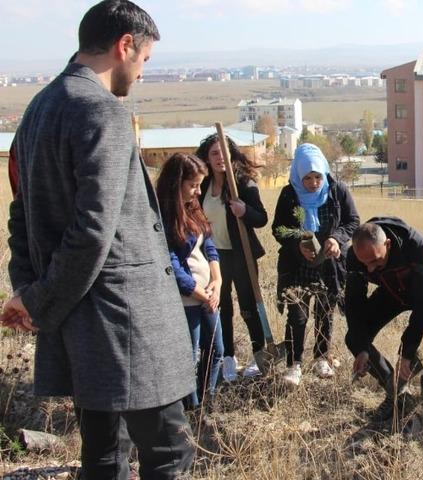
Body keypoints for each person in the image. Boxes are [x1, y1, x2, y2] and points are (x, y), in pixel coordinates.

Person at [2, 1, 195, 477]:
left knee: (104, 454)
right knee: (169, 453)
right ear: (124, 45)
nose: (143, 72)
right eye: (145, 59)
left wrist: (28, 291)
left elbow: (20, 215)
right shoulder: (101, 111)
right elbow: (92, 232)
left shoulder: (39, 108)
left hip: (79, 324)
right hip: (124, 322)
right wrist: (38, 299)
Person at [345, 218, 423, 420]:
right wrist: (361, 348)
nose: (370, 269)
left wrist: (408, 350)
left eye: (376, 261)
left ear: (387, 244)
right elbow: (353, 303)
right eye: (365, 263)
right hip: (392, 290)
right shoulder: (355, 256)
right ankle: (395, 391)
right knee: (354, 338)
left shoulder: (415, 246)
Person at [272, 143, 359, 387]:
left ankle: (321, 357)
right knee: (297, 317)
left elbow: (353, 221)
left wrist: (336, 239)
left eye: (317, 176)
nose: (313, 183)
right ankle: (294, 364)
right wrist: (297, 243)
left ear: (324, 172)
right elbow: (278, 229)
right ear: (299, 176)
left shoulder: (337, 190)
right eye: (307, 178)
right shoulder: (290, 194)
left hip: (329, 266)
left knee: (325, 313)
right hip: (298, 267)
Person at [196, 133, 268, 380]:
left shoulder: (243, 183)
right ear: (207, 157)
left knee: (249, 305)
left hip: (242, 255)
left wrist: (244, 210)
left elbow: (261, 218)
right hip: (213, 257)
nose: (219, 158)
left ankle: (259, 355)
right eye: (214, 153)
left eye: (223, 153)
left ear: (231, 155)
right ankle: (228, 358)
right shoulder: (203, 185)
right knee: (221, 306)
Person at [156, 153, 224, 409]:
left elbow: (209, 244)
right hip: (186, 299)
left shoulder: (194, 208)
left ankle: (208, 399)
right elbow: (170, 263)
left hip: (208, 294)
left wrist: (216, 281)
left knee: (216, 349)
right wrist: (198, 293)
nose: (198, 191)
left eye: (199, 185)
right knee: (190, 354)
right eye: (193, 185)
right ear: (177, 183)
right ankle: (191, 406)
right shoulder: (163, 216)